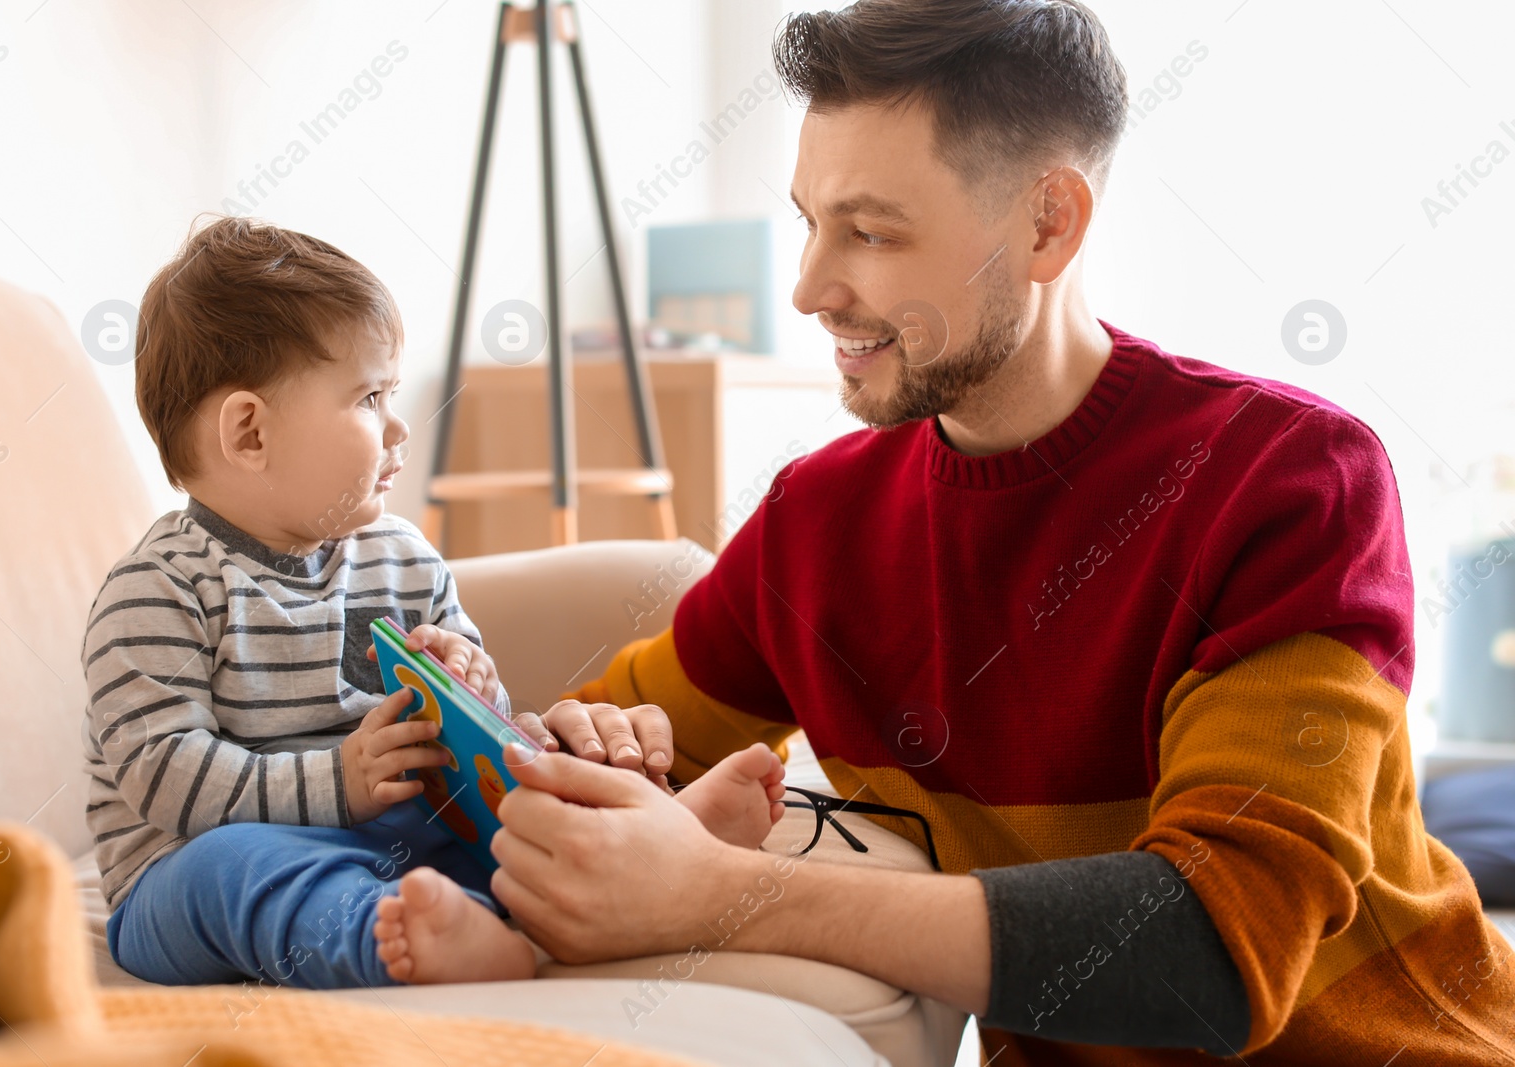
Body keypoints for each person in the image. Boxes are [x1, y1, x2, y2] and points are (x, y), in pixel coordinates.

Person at [491, 1, 1515, 1061]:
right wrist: (528, 728)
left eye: (872, 231)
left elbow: (1214, 942)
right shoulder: (816, 519)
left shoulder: (1287, 479)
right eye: (809, 221)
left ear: (1046, 224)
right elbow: (585, 741)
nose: (808, 289)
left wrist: (722, 893)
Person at [81, 216, 788, 990]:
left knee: (515, 787)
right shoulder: (156, 589)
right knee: (226, 871)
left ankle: (647, 854)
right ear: (250, 432)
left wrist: (468, 682)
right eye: (369, 396)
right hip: (190, 868)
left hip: (393, 830)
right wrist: (336, 782)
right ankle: (389, 938)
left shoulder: (403, 557)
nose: (399, 423)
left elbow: (480, 726)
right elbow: (163, 773)